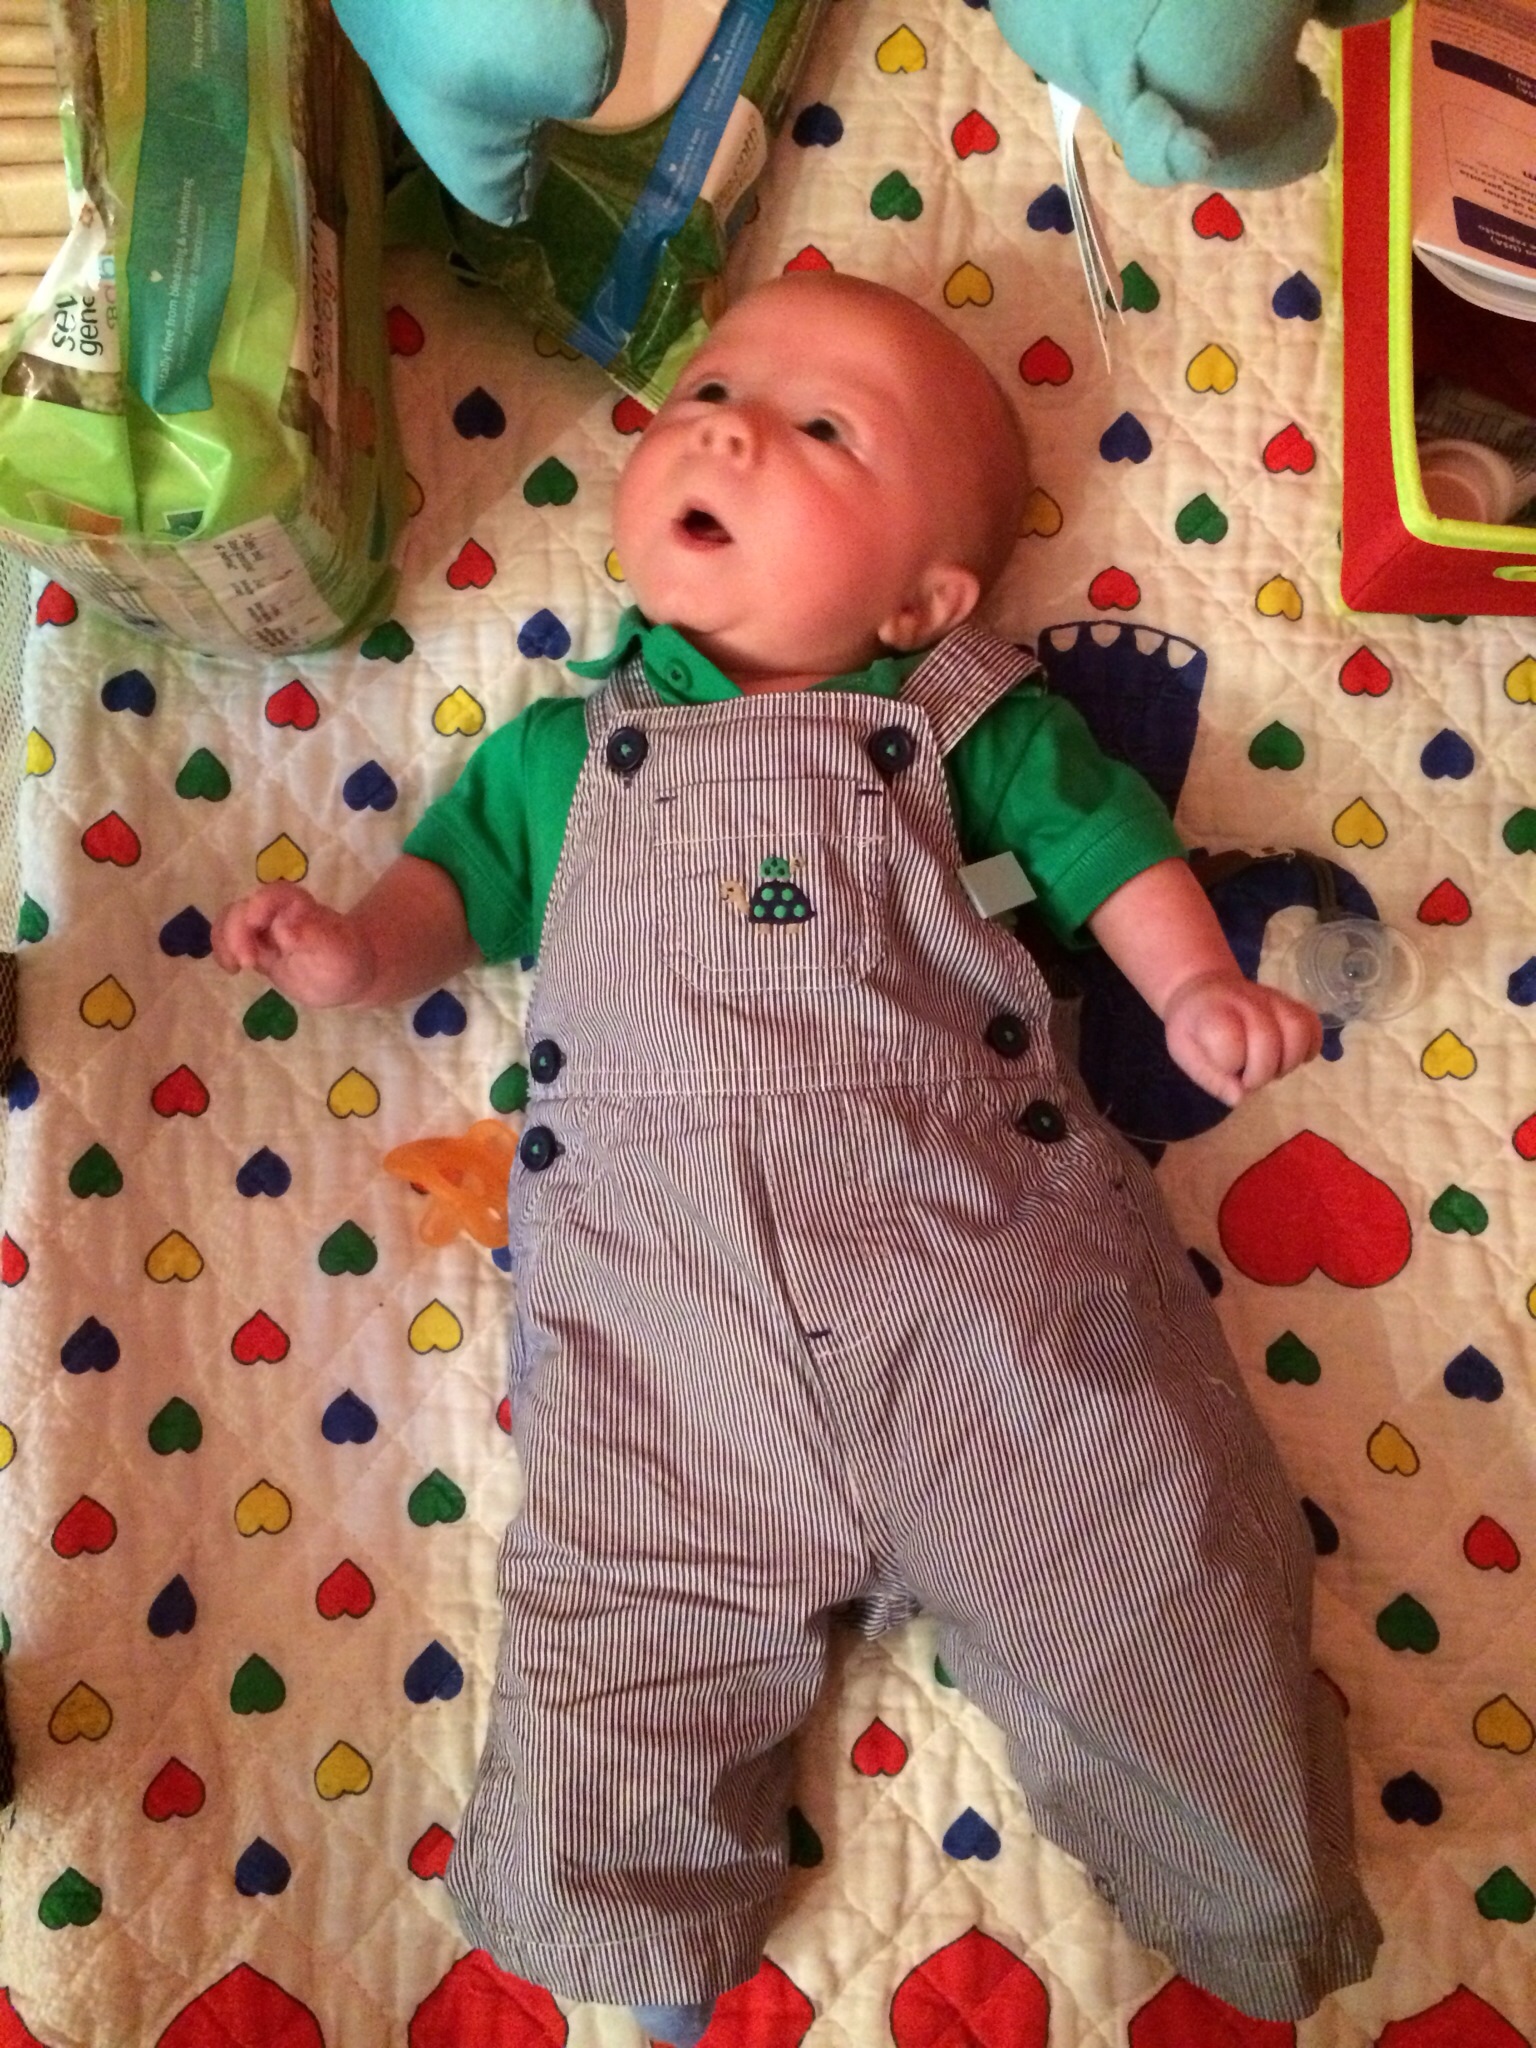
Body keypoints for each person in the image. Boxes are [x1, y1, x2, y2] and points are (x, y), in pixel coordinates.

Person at [213, 273, 1381, 2044]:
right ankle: (622, 1927)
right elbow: (447, 899)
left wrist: (1196, 984)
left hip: (982, 1282)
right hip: (666, 1336)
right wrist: (355, 951)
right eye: (710, 392)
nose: (730, 428)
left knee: (1148, 1565)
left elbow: (1108, 851)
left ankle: (1255, 1918)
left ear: (922, 600)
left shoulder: (971, 719)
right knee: (624, 1623)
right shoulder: (559, 757)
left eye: (822, 427)